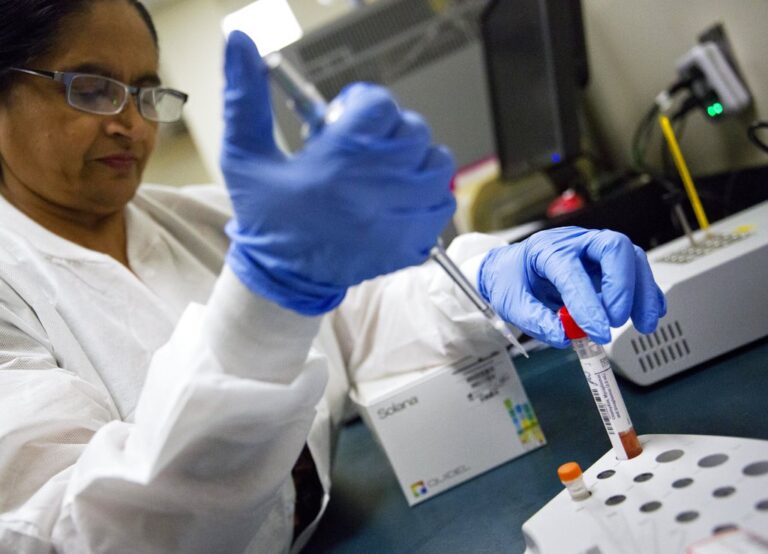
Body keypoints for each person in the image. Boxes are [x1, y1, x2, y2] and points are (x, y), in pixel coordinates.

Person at [0, 1, 666, 552]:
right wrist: (267, 295)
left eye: (146, 92)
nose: (130, 122)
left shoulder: (196, 217)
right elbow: (75, 534)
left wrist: (490, 273)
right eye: (90, 87)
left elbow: (359, 317)